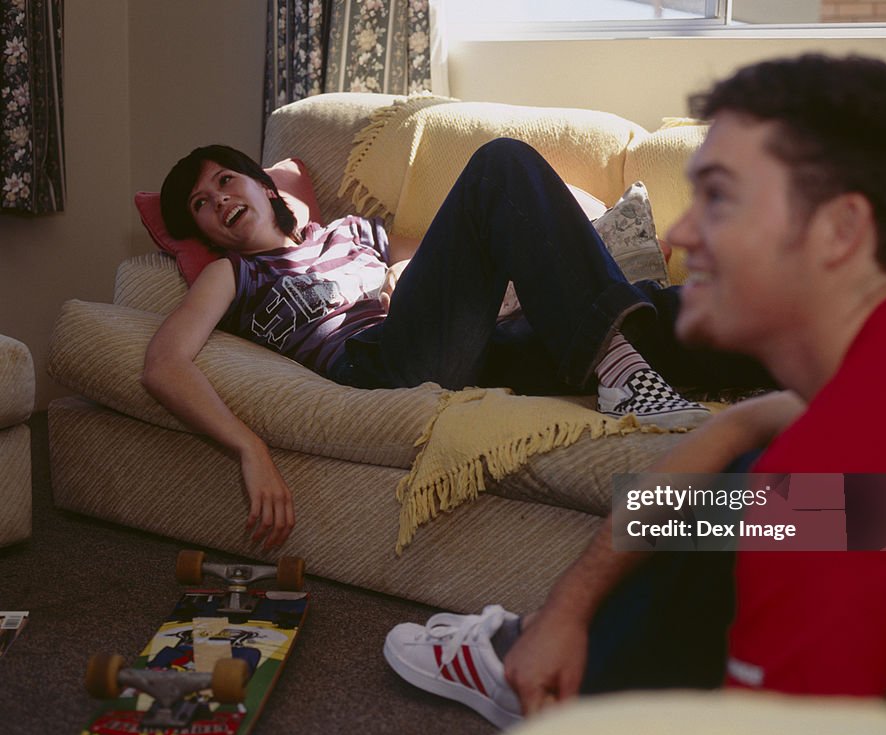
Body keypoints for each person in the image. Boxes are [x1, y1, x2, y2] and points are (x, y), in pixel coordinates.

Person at [383, 53, 886, 728]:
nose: (682, 232)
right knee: (747, 496)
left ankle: (564, 691)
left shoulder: (833, 481)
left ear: (841, 229)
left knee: (759, 503)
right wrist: (565, 610)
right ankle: (541, 649)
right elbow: (757, 434)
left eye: (719, 197)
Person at [143, 139, 773, 550]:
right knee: (498, 163)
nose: (220, 200)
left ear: (264, 187)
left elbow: (462, 257)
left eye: (227, 181)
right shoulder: (236, 274)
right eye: (202, 204)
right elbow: (163, 364)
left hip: (466, 345)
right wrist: (249, 449)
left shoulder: (352, 231)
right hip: (385, 365)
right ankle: (619, 372)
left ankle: (826, 358)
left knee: (656, 311)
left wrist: (401, 272)